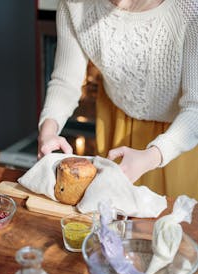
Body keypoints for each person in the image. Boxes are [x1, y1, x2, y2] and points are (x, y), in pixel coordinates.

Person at [37, 0, 198, 199]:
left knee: (174, 224)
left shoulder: (191, 9)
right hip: (118, 123)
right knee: (116, 220)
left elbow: (196, 107)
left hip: (181, 137)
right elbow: (65, 81)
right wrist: (48, 129)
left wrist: (152, 156)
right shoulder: (74, 4)